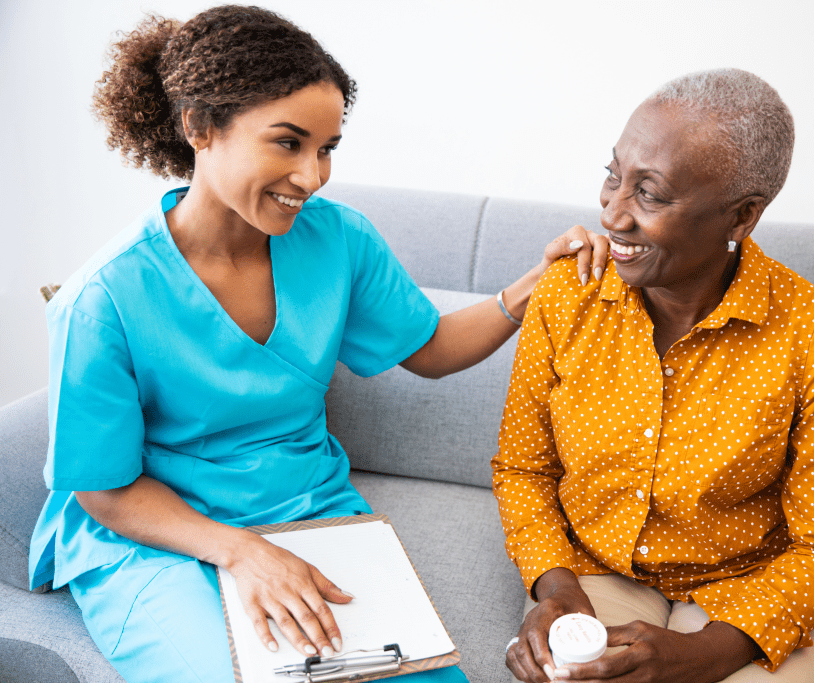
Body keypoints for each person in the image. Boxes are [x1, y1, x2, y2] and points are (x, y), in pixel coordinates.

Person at [26, 6, 608, 683]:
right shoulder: (103, 297)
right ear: (199, 127)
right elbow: (103, 488)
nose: (313, 175)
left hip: (302, 506)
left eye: (327, 147)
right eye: (287, 142)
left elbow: (432, 347)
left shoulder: (338, 240)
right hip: (153, 533)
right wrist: (240, 551)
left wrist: (535, 285)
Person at [493, 68, 814, 683]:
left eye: (650, 194)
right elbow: (523, 469)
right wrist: (554, 591)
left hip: (747, 591)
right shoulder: (569, 292)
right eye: (614, 176)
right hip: (595, 569)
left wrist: (698, 658)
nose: (613, 215)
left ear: (741, 217)